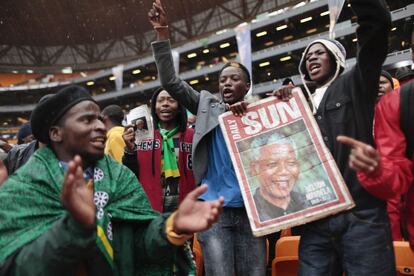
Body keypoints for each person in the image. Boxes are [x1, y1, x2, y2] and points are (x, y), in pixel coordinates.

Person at [0, 85, 224, 275]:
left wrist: (169, 228)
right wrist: (73, 228)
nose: (100, 126)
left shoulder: (120, 177)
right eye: (87, 120)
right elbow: (16, 267)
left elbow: (136, 246)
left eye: (99, 118)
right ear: (56, 133)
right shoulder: (24, 188)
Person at [148, 1, 281, 274]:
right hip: (214, 210)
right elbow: (170, 81)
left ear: (247, 86)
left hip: (252, 210)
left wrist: (285, 96)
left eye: (233, 79)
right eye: (222, 80)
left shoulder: (262, 114)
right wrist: (162, 34)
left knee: (255, 272)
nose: (226, 84)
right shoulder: (206, 105)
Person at [123, 88, 196, 213]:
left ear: (179, 107)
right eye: (160, 101)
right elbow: (131, 174)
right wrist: (130, 150)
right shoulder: (141, 137)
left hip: (186, 207)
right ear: (154, 108)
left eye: (171, 100)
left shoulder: (193, 136)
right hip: (151, 207)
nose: (165, 104)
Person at [251, 138, 307, 221]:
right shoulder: (249, 212)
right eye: (272, 164)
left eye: (291, 163)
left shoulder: (308, 202)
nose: (283, 171)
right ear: (255, 169)